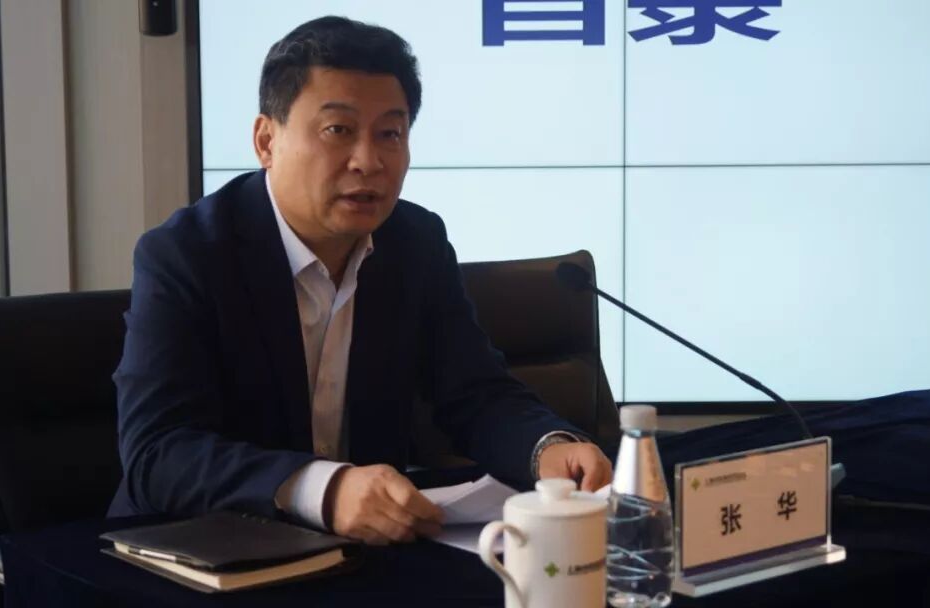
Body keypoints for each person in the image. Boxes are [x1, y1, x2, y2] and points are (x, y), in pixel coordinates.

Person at [108, 15, 612, 545]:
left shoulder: (415, 243)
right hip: (197, 553)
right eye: (338, 131)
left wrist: (545, 447)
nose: (368, 161)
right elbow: (158, 452)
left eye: (390, 134)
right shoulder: (187, 255)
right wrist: (323, 489)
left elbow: (475, 393)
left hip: (363, 557)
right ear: (266, 141)